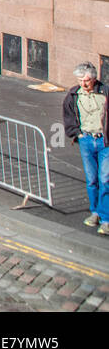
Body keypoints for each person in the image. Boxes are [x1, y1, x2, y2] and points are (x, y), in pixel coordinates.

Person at [63, 62, 109, 234]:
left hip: (104, 141)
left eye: (86, 80)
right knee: (91, 180)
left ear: (94, 79)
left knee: (105, 179)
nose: (83, 84)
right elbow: (68, 114)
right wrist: (77, 134)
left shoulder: (105, 92)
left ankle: (106, 219)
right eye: (80, 80)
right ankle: (95, 212)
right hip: (87, 140)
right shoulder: (74, 94)